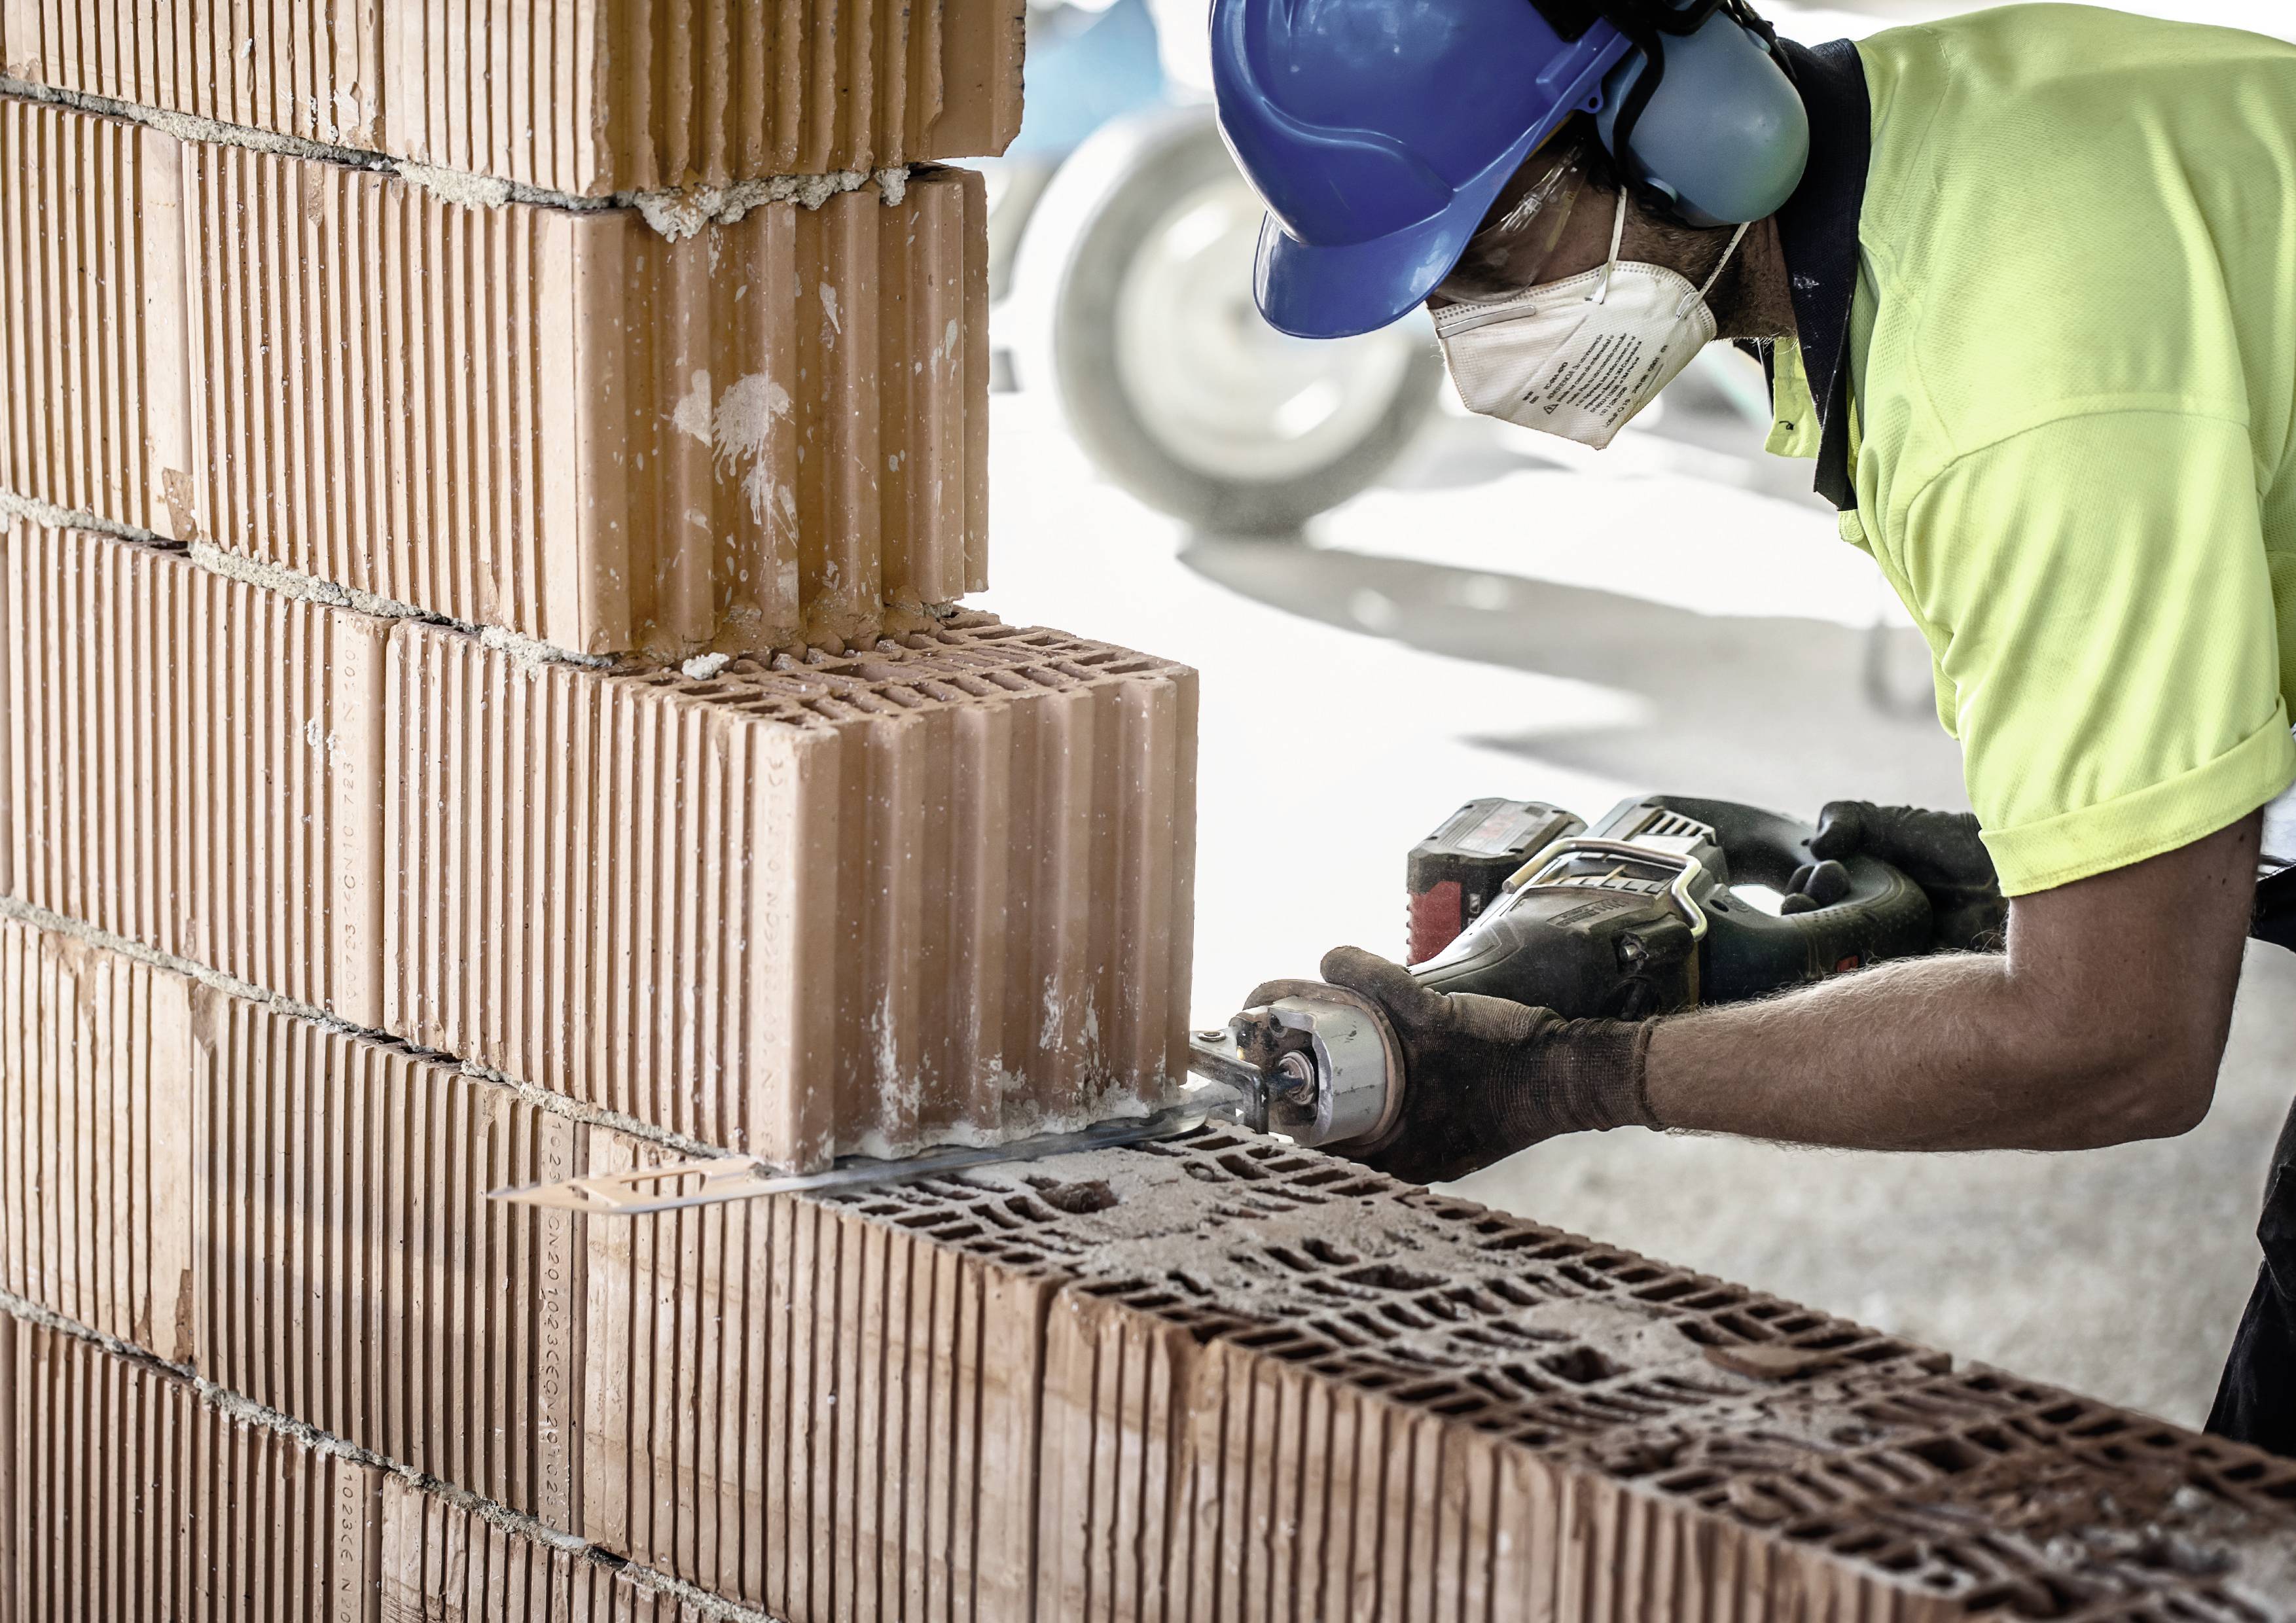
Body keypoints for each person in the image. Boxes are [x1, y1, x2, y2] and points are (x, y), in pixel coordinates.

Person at [1211, 0, 2296, 1454]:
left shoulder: (2013, 384)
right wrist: (2075, 860)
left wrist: (1569, 1077)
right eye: (1434, 297)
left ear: (1679, 127)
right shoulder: (1941, 150)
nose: (1471, 342)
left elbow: (2114, 1043)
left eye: (1484, 256)